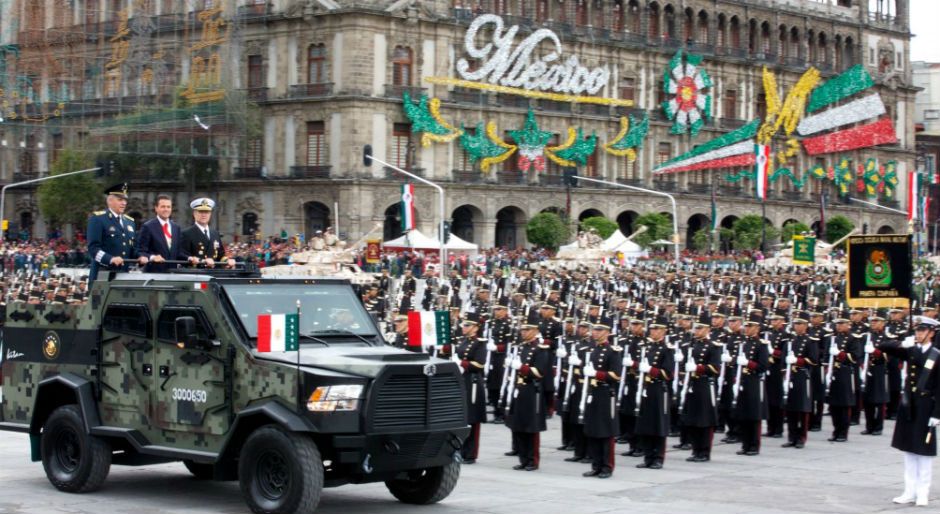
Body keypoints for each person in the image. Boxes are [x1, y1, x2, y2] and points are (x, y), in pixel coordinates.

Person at [878, 316, 940, 507]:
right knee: (909, 451)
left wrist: (937, 413)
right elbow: (883, 346)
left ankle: (922, 493)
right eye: (917, 331)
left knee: (924, 453)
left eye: (922, 331)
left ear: (931, 333)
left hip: (926, 406)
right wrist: (901, 343)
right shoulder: (911, 350)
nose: (919, 334)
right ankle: (909, 491)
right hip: (909, 405)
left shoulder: (936, 355)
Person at [505, 322, 550, 471]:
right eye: (522, 330)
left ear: (535, 331)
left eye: (527, 330)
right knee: (518, 425)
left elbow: (540, 372)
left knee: (531, 427)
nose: (523, 332)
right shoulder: (521, 347)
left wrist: (521, 367)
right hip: (519, 389)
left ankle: (532, 461)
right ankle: (523, 459)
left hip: (531, 390)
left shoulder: (540, 349)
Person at [581, 323, 622, 479]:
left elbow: (616, 375)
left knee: (606, 432)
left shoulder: (613, 351)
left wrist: (596, 374)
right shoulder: (591, 349)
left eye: (599, 330)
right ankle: (596, 465)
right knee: (593, 430)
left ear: (607, 332)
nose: (596, 333)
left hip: (605, 393)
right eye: (595, 330)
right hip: (593, 392)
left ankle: (607, 467)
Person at [86, 183, 147, 281]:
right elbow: (93, 249)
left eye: (125, 200)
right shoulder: (98, 219)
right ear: (109, 201)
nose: (124, 203)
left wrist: (140, 257)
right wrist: (110, 259)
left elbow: (132, 249)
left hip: (123, 276)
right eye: (120, 200)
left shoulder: (130, 222)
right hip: (102, 276)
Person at [679, 322, 721, 462]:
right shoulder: (690, 345)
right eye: (695, 328)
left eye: (700, 328)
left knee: (704, 420)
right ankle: (696, 450)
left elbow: (715, 368)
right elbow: (682, 366)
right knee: (692, 419)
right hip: (691, 384)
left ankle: (704, 452)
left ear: (708, 329)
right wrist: (682, 376)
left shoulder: (713, 346)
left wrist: (698, 368)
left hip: (704, 385)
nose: (696, 331)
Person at [454, 314, 487, 464]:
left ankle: (471, 453)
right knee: (462, 417)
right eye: (464, 325)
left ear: (475, 328)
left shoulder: (480, 343)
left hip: (472, 382)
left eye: (467, 325)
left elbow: (480, 364)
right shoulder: (464, 341)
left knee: (472, 419)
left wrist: (462, 363)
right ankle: (461, 450)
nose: (464, 327)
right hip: (462, 381)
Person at [137, 194, 194, 272]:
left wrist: (189, 258)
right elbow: (141, 251)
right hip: (154, 273)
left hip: (173, 272)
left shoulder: (176, 228)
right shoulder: (148, 227)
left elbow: (178, 252)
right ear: (156, 208)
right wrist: (152, 257)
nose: (166, 209)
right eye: (163, 207)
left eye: (168, 207)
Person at [180, 198, 235, 268]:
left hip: (214, 272)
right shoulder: (186, 233)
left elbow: (220, 254)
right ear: (194, 213)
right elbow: (182, 255)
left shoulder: (215, 233)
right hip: (196, 272)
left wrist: (227, 261)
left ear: (210, 214)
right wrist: (199, 260)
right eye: (200, 212)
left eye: (207, 212)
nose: (204, 215)